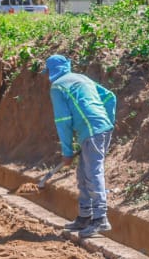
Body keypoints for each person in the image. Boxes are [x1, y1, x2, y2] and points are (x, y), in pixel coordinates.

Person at [45, 54, 117, 238]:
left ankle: (100, 218)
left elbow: (63, 121)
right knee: (84, 172)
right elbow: (110, 97)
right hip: (101, 128)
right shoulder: (81, 78)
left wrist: (67, 151)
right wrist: (106, 121)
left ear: (50, 71)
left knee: (92, 172)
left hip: (91, 130)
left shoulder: (57, 87)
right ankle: (85, 216)